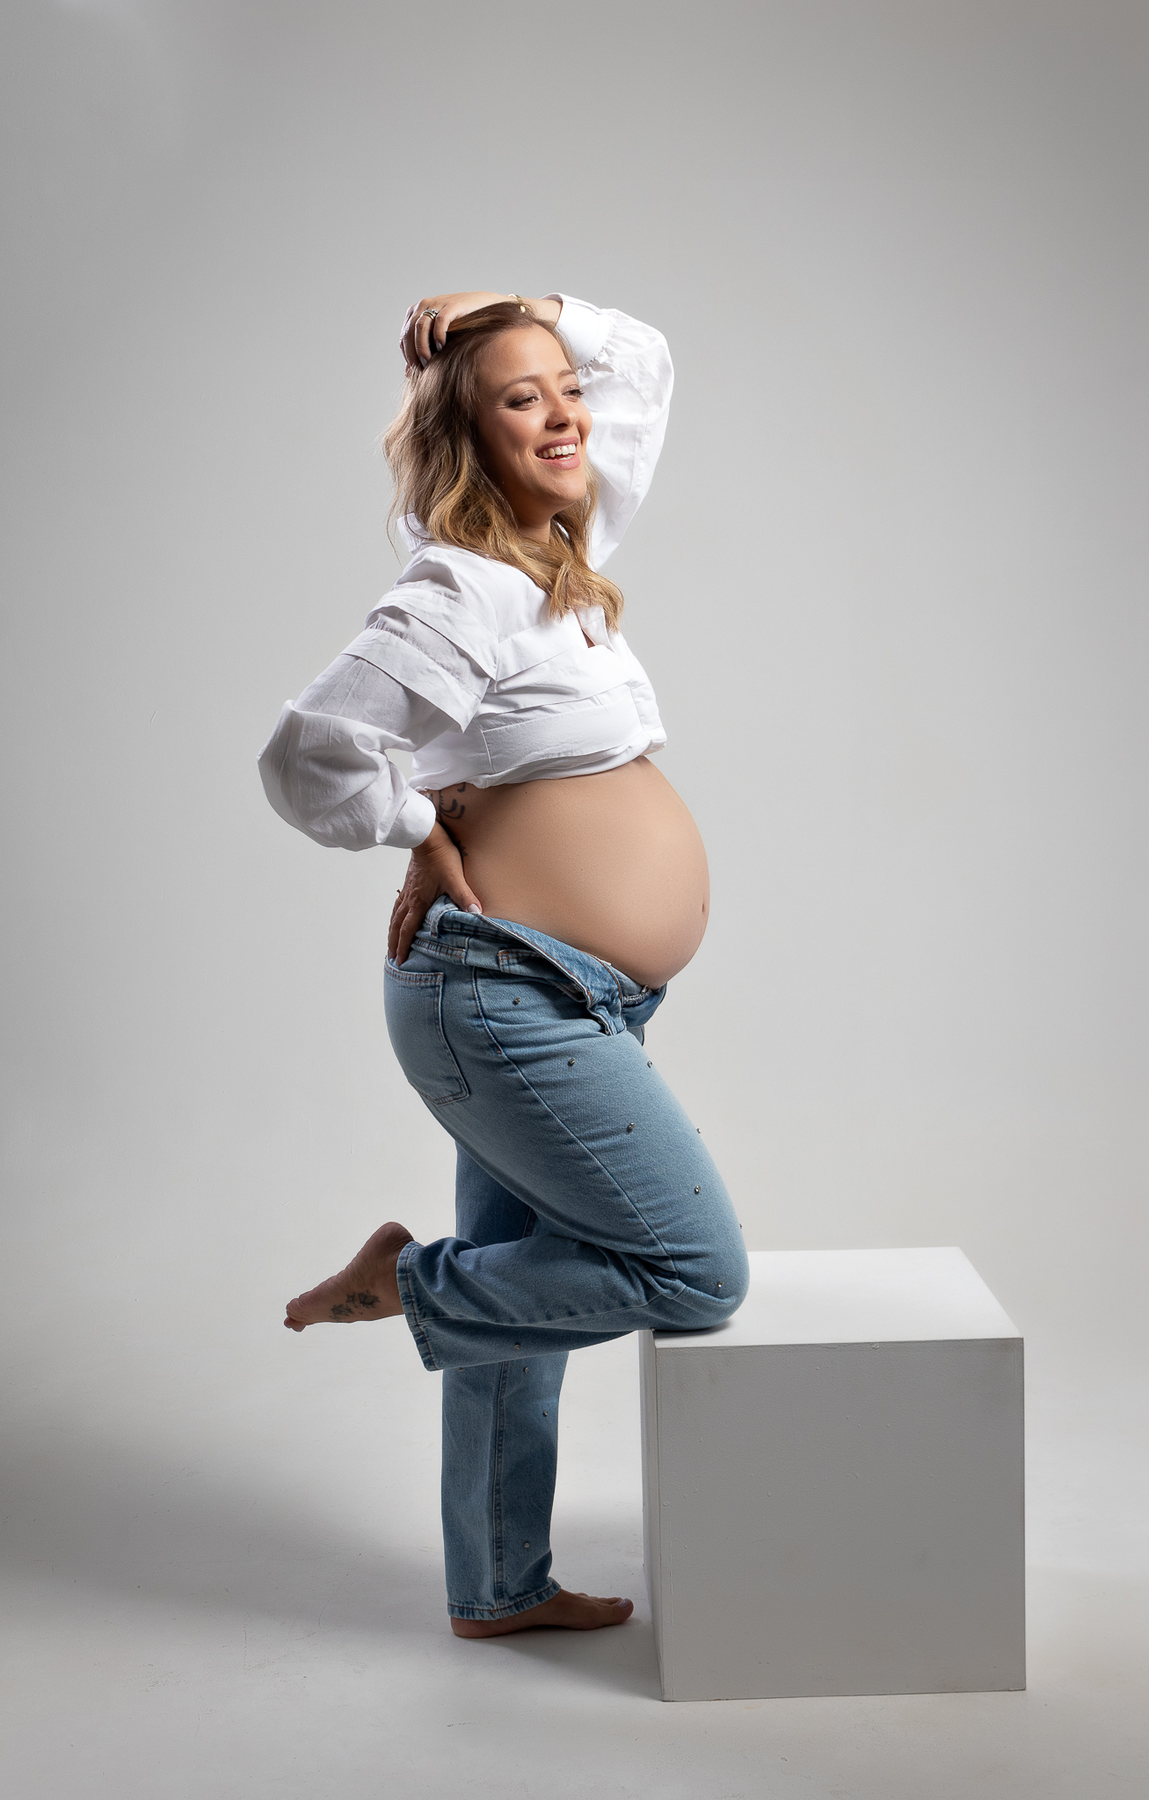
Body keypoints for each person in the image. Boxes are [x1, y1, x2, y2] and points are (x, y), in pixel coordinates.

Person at [258, 289, 749, 1639]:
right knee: (692, 1271)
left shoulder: (565, 552)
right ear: (465, 437)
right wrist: (416, 824)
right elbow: (308, 761)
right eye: (522, 394)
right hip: (502, 999)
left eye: (563, 390)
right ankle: (402, 1286)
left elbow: (641, 354)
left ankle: (496, 1587)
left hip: (568, 997)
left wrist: (510, 308)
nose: (567, 409)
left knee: (522, 1287)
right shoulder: (461, 583)